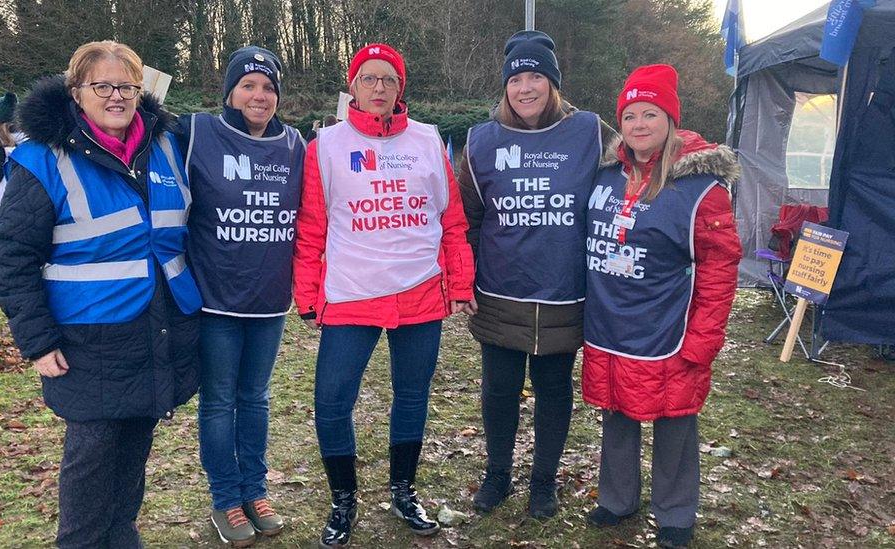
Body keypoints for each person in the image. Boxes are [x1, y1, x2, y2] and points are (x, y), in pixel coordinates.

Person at [0, 40, 201, 548]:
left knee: (132, 456)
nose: (115, 96)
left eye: (126, 85)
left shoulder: (165, 146)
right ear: (76, 91)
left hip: (155, 329)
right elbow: (12, 257)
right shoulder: (43, 160)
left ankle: (122, 536)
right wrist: (36, 342)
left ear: (140, 90)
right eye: (101, 85)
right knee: (90, 464)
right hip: (86, 341)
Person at [293, 43, 474, 548]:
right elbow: (311, 227)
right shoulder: (325, 146)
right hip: (352, 295)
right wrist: (307, 294)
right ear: (352, 85)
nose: (378, 88)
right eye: (368, 79)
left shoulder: (428, 141)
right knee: (331, 401)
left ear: (400, 89)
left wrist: (460, 282)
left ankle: (403, 489)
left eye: (388, 80)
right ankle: (343, 499)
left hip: (420, 293)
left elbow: (451, 221)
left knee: (412, 397)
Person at [458, 30, 618, 519]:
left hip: (564, 291)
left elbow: (640, 160)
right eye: (516, 79)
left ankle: (543, 483)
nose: (525, 88)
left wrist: (691, 162)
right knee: (499, 391)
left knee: (554, 389)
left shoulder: (590, 131)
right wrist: (464, 278)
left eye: (536, 77)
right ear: (505, 86)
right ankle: (498, 475)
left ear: (553, 83)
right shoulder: (483, 141)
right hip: (500, 291)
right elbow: (467, 218)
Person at [581, 64, 742, 549]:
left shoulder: (703, 188)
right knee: (617, 409)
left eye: (650, 113)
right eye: (630, 115)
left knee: (674, 417)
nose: (639, 124)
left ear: (670, 119)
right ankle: (617, 498)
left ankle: (675, 511)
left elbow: (720, 268)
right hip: (610, 323)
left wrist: (704, 337)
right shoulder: (609, 174)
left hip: (669, 327)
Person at [174, 45, 304, 547]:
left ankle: (255, 489)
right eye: (248, 85)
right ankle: (226, 498)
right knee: (219, 400)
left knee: (256, 398)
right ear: (230, 91)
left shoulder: (295, 145)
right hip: (215, 300)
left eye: (268, 87)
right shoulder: (197, 132)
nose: (259, 95)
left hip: (270, 301)